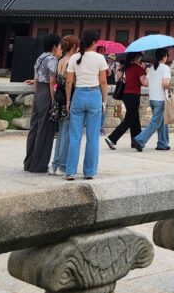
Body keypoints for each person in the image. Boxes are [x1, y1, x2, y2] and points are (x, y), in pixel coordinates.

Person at [62, 29, 109, 181]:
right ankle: (89, 172)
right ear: (95, 42)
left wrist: (68, 100)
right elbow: (103, 81)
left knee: (75, 136)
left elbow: (69, 83)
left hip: (78, 95)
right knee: (92, 137)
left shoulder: (74, 58)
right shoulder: (100, 58)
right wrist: (104, 100)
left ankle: (70, 171)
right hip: (94, 95)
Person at [23, 34, 62, 173]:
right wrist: (53, 100)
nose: (61, 49)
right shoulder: (52, 59)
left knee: (34, 128)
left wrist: (35, 83)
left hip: (38, 92)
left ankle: (29, 162)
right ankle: (39, 165)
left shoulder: (41, 57)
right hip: (47, 94)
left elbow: (38, 76)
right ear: (54, 46)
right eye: (59, 46)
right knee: (45, 130)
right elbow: (52, 81)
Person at [49, 35, 78, 176]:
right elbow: (69, 83)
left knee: (60, 133)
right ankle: (62, 165)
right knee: (66, 133)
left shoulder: (59, 60)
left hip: (58, 98)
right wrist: (69, 101)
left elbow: (53, 80)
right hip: (67, 98)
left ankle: (54, 164)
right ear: (73, 47)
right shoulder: (71, 61)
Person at [133, 48, 172, 152]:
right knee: (155, 122)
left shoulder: (151, 69)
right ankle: (140, 140)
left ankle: (162, 143)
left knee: (162, 121)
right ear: (164, 57)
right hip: (160, 99)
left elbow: (145, 83)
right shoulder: (165, 68)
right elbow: (165, 83)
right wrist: (170, 86)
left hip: (152, 98)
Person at [105, 55, 145, 151]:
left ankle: (136, 141)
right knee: (129, 120)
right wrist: (146, 73)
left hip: (126, 95)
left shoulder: (127, 67)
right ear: (137, 57)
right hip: (134, 95)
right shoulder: (139, 68)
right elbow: (144, 83)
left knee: (135, 119)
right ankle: (112, 138)